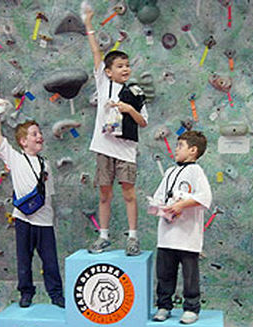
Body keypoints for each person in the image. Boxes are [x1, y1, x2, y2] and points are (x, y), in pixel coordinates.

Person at [84, 6, 148, 256]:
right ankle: (104, 236)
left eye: (128, 65)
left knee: (128, 192)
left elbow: (143, 122)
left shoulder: (136, 93)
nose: (125, 69)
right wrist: (89, 22)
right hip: (103, 148)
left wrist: (128, 109)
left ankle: (132, 237)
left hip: (126, 150)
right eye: (120, 66)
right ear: (108, 72)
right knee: (104, 193)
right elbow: (96, 53)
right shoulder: (103, 83)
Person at [0, 114, 65, 308]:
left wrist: (49, 214)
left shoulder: (45, 163)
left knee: (50, 261)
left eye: (39, 133)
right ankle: (26, 292)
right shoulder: (15, 159)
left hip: (45, 220)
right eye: (34, 134)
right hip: (23, 219)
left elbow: (48, 193)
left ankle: (56, 295)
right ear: (23, 141)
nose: (39, 136)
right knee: (24, 259)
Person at [150, 131, 212, 324]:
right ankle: (164, 305)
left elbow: (205, 198)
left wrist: (181, 205)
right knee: (165, 273)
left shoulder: (196, 172)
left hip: (187, 237)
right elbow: (159, 195)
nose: (176, 149)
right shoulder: (169, 172)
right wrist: (162, 207)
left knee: (189, 275)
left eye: (180, 146)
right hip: (167, 235)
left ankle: (191, 307)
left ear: (193, 150)